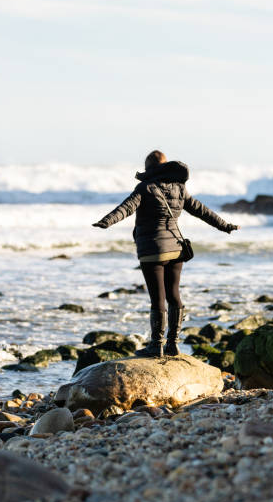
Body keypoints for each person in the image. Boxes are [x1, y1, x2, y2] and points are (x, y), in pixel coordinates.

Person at [92, 151, 239, 358]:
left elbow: (125, 208)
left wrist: (106, 221)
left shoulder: (144, 188)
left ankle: (156, 345)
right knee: (174, 296)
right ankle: (173, 344)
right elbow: (201, 210)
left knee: (158, 299)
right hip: (176, 249)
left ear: (149, 169)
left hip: (152, 251)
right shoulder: (180, 189)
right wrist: (225, 226)